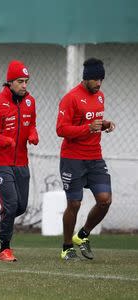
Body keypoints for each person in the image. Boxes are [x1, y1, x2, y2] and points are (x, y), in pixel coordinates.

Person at [0, 60, 38, 262]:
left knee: (20, 207)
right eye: (20, 81)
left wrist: (33, 134)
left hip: (21, 162)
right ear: (9, 82)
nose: (24, 85)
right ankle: (4, 249)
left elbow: (31, 124)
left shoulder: (30, 102)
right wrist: (3, 140)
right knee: (10, 206)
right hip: (0, 162)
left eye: (26, 81)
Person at [57, 58, 115, 261]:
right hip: (73, 158)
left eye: (101, 79)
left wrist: (105, 124)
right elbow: (61, 129)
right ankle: (66, 247)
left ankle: (82, 235)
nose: (99, 83)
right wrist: (87, 128)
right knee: (74, 204)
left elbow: (93, 122)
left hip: (95, 157)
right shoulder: (71, 98)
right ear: (86, 78)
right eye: (95, 79)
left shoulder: (100, 97)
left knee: (105, 201)